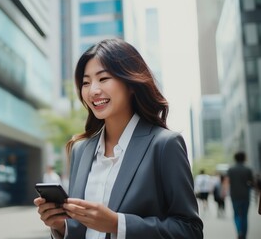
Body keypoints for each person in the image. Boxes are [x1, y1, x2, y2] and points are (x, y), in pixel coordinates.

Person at [34, 38, 203, 239]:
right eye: (86, 82)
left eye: (103, 78)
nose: (93, 90)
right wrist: (61, 227)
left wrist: (118, 224)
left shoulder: (164, 145)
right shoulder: (80, 150)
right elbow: (81, 229)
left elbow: (190, 230)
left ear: (131, 83)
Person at [227, 151, 253, 239]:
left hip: (234, 195)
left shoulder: (231, 169)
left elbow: (228, 182)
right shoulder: (248, 169)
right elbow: (252, 183)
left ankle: (239, 232)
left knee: (237, 215)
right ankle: (244, 235)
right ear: (244, 158)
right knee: (244, 216)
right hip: (245, 195)